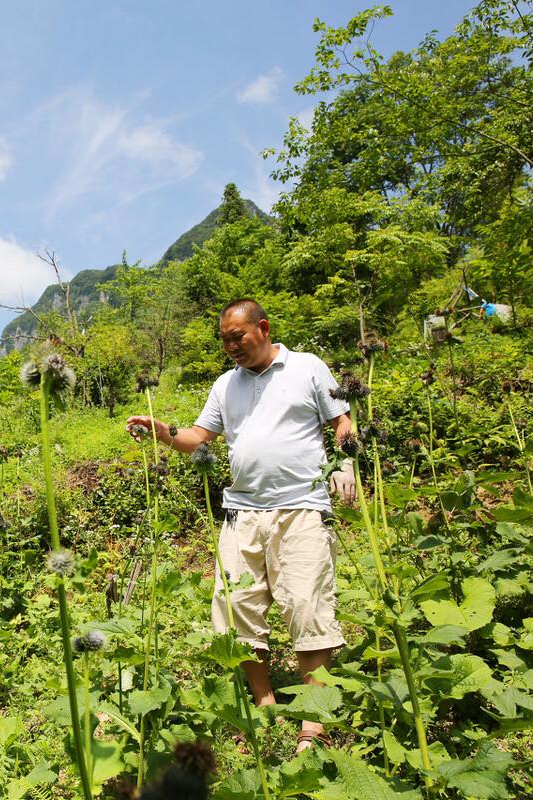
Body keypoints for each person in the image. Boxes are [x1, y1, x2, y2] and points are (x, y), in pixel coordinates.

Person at [126, 298, 355, 753]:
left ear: (263, 328)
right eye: (224, 340)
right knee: (236, 611)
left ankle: (313, 721)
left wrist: (346, 464)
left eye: (238, 336)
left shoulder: (307, 368)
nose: (231, 346)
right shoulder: (225, 386)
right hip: (241, 513)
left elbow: (342, 420)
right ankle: (265, 704)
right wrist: (161, 429)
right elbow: (197, 440)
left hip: (302, 507)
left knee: (306, 604)